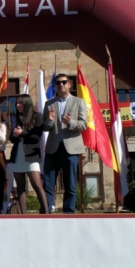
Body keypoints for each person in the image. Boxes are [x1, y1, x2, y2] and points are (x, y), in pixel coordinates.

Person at [43, 74, 87, 213]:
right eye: (57, 83)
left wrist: (70, 123)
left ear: (69, 84)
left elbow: (84, 124)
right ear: (55, 86)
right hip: (53, 148)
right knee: (48, 184)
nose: (60, 85)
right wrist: (49, 121)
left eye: (63, 82)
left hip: (71, 149)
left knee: (70, 184)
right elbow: (45, 127)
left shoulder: (79, 102)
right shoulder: (49, 104)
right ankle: (46, 212)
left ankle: (68, 213)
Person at [8, 94, 49, 214]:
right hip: (17, 155)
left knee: (37, 185)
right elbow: (11, 139)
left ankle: (47, 213)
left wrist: (22, 133)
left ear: (27, 103)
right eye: (17, 103)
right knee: (20, 187)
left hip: (31, 155)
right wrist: (14, 135)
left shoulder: (37, 116)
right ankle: (23, 215)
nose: (17, 105)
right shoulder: (15, 118)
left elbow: (36, 138)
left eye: (20, 103)